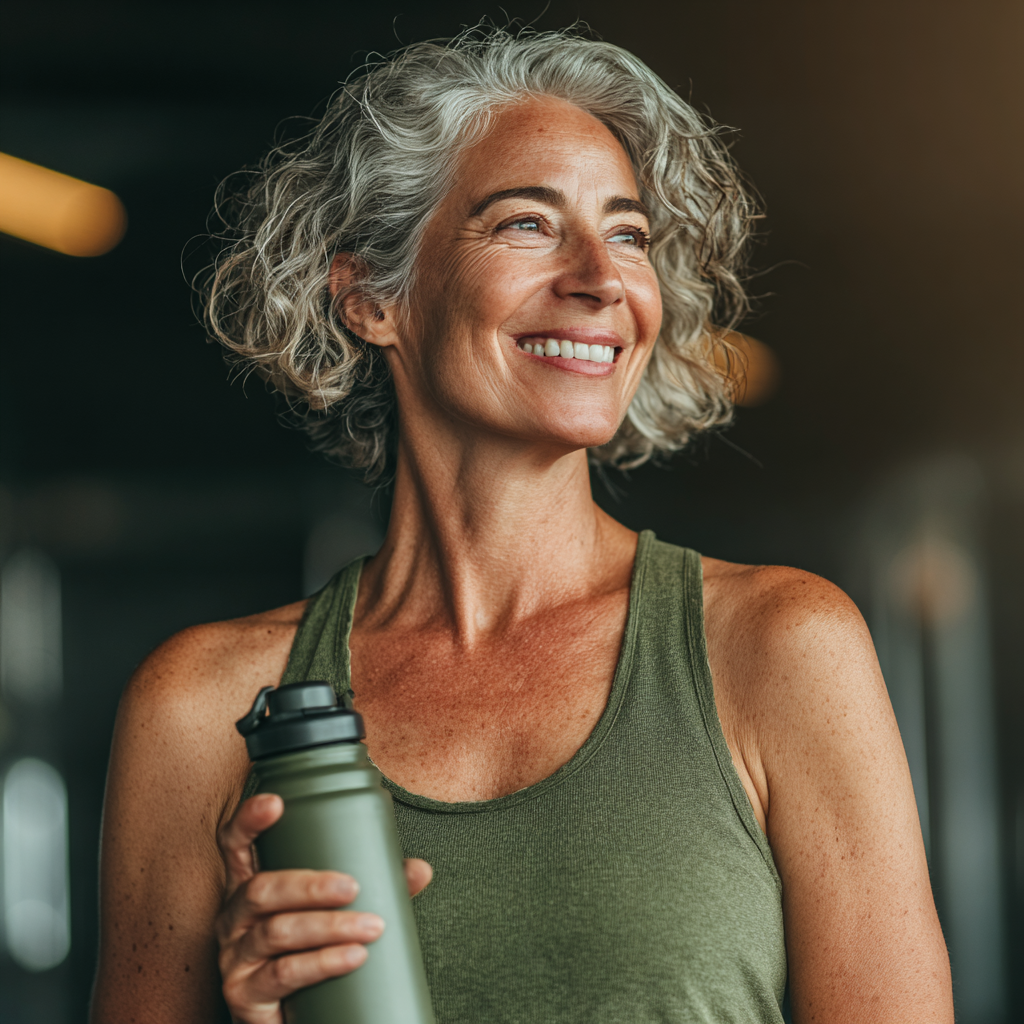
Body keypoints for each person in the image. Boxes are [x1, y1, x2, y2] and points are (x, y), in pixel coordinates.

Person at [91, 26, 953, 1024]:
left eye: (627, 234)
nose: (600, 277)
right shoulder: (201, 711)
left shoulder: (782, 649)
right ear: (373, 294)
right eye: (525, 225)